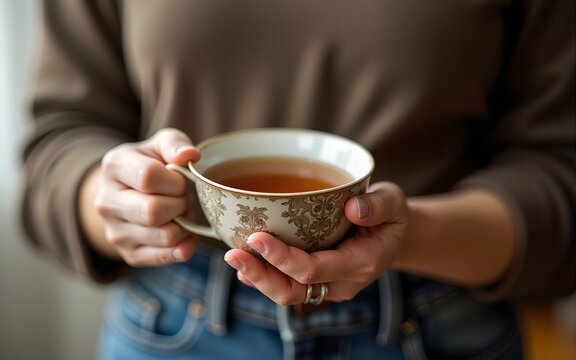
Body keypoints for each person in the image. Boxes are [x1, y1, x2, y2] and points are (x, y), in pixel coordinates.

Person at [21, 0, 574, 359]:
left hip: (440, 328)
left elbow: (559, 172)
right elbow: (59, 142)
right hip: (174, 325)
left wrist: (411, 234)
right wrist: (117, 199)